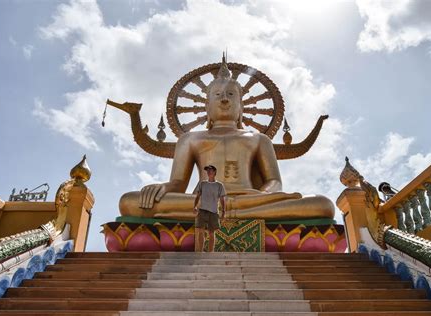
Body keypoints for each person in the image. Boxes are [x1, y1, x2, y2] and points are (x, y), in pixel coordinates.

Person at [118, 57, 335, 220]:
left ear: (241, 106)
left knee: (323, 205)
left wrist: (261, 196)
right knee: (129, 202)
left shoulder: (259, 139)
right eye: (218, 95)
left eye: (231, 95)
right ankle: (233, 212)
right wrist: (162, 188)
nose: (224, 100)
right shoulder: (190, 139)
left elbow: (275, 182)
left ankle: (229, 211)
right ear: (207, 106)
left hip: (250, 199)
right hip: (203, 201)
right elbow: (177, 183)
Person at [193, 165, 226, 252]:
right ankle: (200, 251)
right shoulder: (202, 183)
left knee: (211, 233)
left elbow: (222, 199)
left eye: (210, 170)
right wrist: (195, 206)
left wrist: (223, 211)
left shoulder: (219, 185)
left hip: (214, 211)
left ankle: (210, 252)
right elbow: (198, 196)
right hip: (202, 210)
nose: (208, 172)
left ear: (215, 172)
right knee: (201, 231)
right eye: (207, 170)